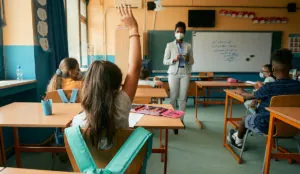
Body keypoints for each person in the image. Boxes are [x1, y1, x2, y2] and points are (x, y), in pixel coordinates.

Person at [72, 5, 142, 150]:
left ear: (88, 85)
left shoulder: (77, 123)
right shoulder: (121, 104)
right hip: (123, 168)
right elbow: (134, 69)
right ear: (117, 86)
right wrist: (133, 29)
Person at [227, 49, 300, 149]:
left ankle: (238, 140)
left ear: (273, 69)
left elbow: (248, 96)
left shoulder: (269, 87)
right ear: (291, 67)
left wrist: (241, 92)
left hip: (267, 125)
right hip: (294, 127)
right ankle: (236, 136)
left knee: (244, 119)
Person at [163, 21, 194, 134]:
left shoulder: (188, 46)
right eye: (177, 31)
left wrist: (187, 59)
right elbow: (165, 61)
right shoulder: (169, 45)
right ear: (174, 32)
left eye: (181, 32)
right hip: (173, 74)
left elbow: (192, 61)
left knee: (183, 98)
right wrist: (174, 59)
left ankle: (180, 120)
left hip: (185, 73)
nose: (179, 33)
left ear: (184, 33)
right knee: (173, 96)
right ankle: (172, 120)